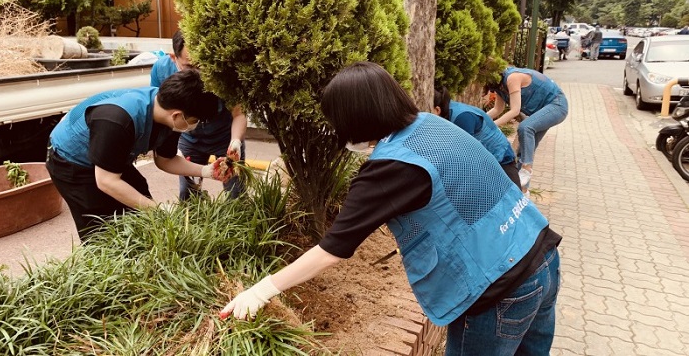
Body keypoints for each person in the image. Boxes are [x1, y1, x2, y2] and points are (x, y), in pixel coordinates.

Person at [221, 61, 562, 355]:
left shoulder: (392, 167)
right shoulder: (431, 123)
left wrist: (262, 290)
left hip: (502, 289)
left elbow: (333, 248)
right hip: (542, 256)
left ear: (353, 118)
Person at [46, 69, 231, 240]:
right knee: (103, 229)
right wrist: (158, 208)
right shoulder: (117, 121)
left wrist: (206, 171)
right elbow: (106, 181)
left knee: (140, 209)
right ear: (177, 115)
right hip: (71, 160)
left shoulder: (168, 115)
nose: (195, 125)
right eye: (195, 120)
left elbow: (166, 160)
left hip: (110, 157)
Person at [151, 30, 247, 200]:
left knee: (236, 193)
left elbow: (239, 113)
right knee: (188, 195)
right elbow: (158, 112)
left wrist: (236, 141)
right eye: (189, 66)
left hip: (225, 136)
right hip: (188, 139)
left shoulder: (223, 71)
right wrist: (169, 147)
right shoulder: (161, 70)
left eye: (201, 65)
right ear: (174, 58)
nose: (198, 73)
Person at [485, 66, 568, 194]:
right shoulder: (499, 86)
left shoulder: (512, 78)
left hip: (556, 105)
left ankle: (527, 167)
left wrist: (492, 125)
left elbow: (515, 110)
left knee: (525, 127)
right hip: (542, 110)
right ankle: (522, 192)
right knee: (522, 151)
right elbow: (497, 110)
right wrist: (481, 119)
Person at [432, 87, 520, 188]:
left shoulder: (461, 118)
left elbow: (467, 156)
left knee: (515, 197)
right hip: (488, 160)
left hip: (501, 158)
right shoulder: (448, 111)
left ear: (437, 109)